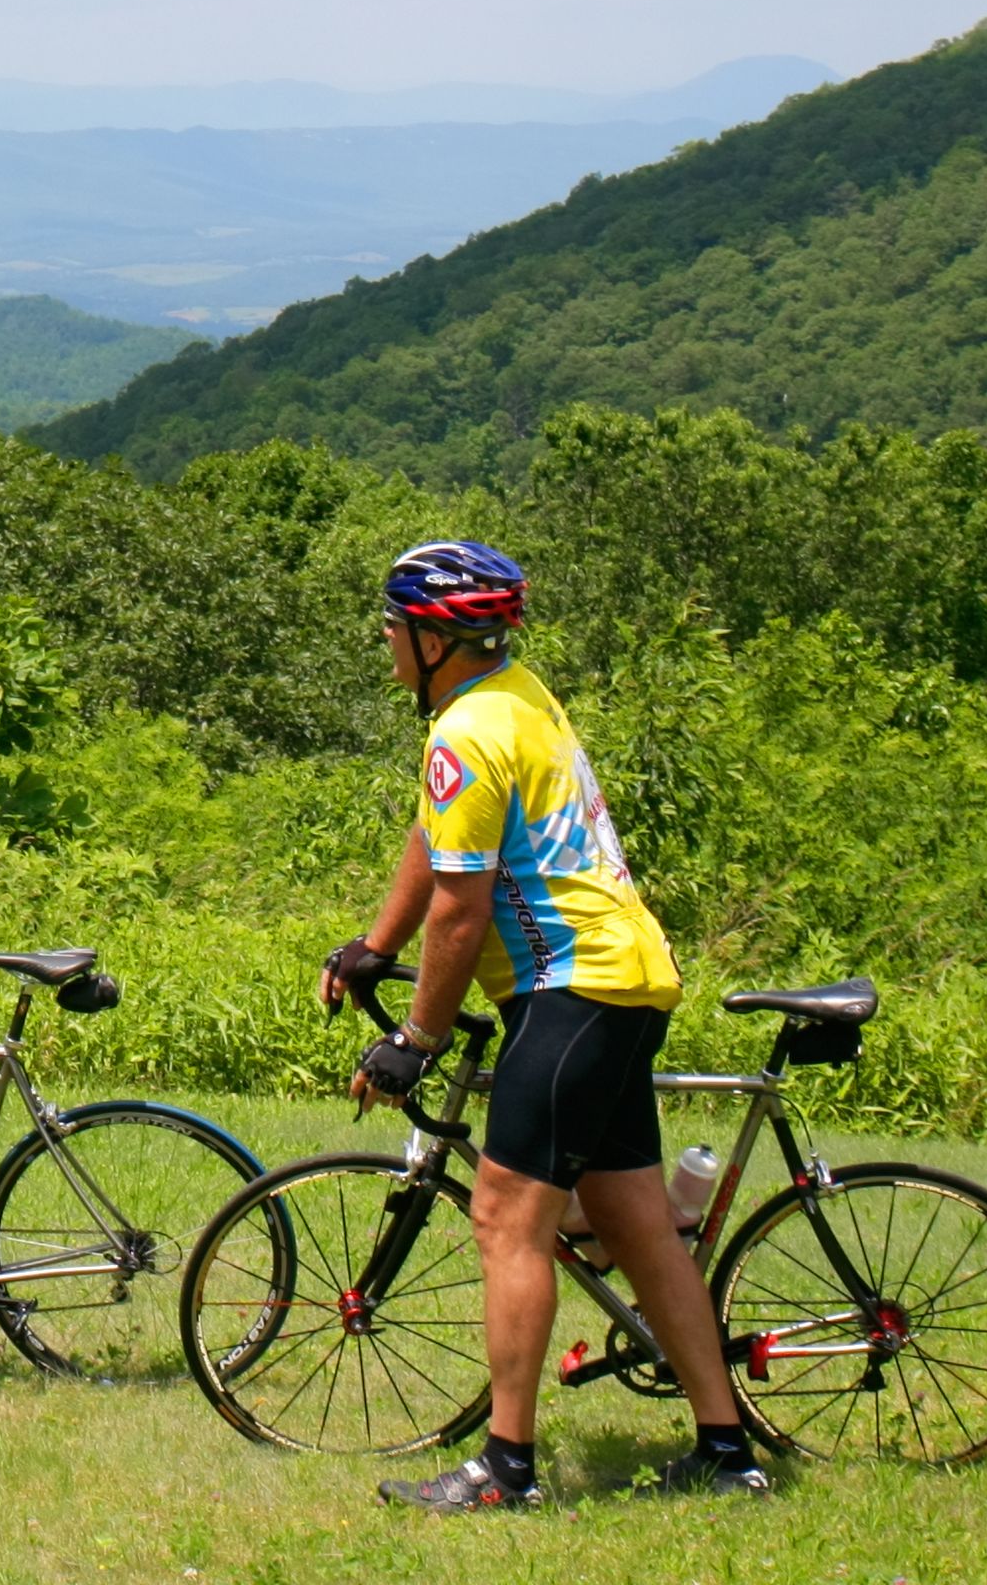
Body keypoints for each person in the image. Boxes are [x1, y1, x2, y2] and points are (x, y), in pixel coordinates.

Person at [322, 540, 770, 1509]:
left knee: (503, 1220)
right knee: (639, 1226)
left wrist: (415, 1039)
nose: (386, 642)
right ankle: (728, 1454)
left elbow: (462, 908)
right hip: (627, 977)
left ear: (437, 638)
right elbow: (439, 840)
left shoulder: (463, 732)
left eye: (394, 627)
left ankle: (506, 1471)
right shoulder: (514, 696)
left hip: (571, 990)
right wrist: (373, 938)